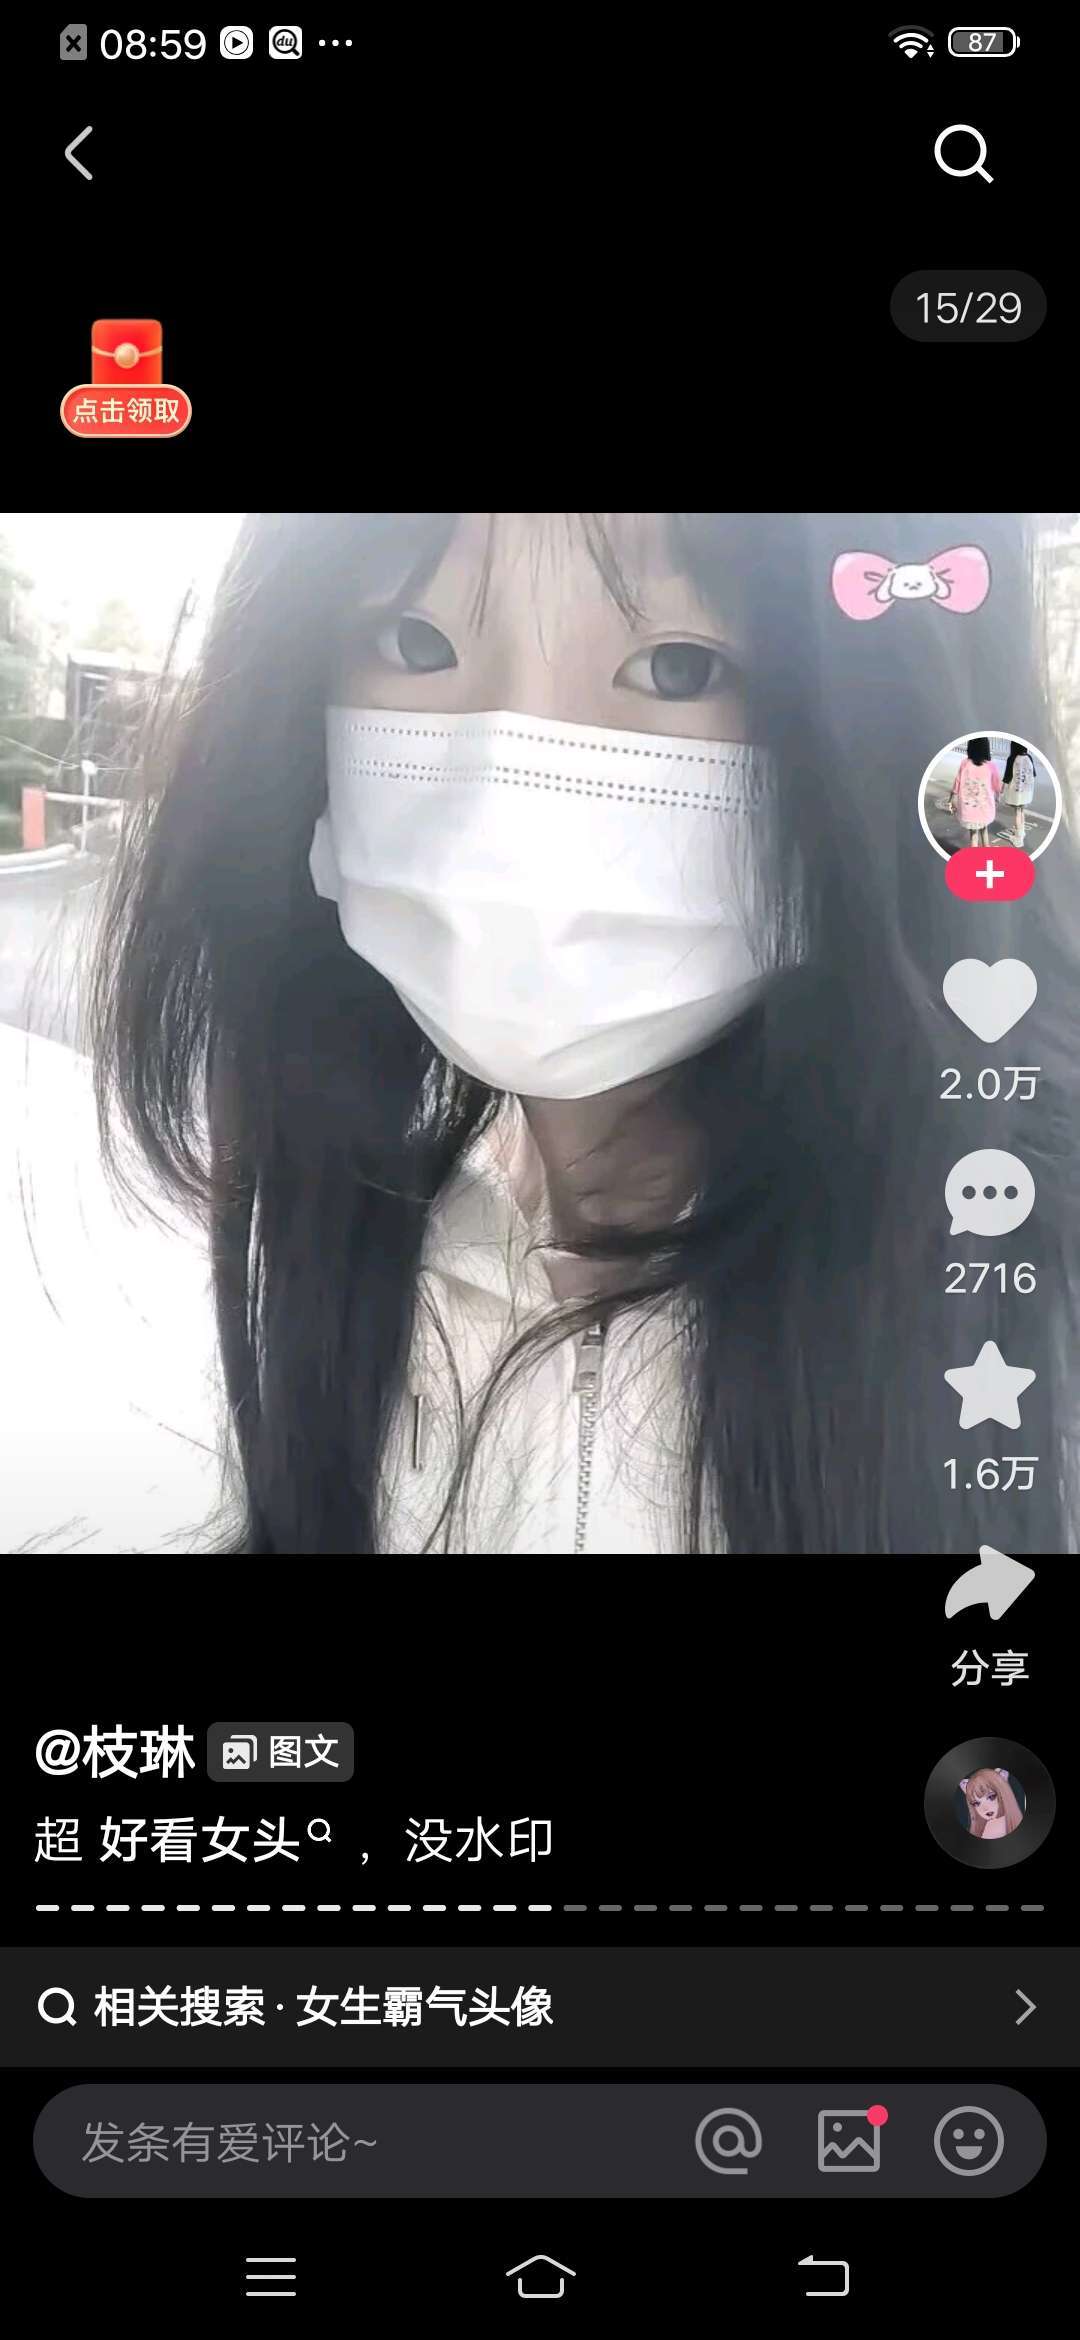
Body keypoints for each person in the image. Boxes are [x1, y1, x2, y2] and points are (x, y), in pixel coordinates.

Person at [82, 514, 1080, 1555]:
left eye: (683, 666)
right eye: (413, 642)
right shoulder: (354, 1234)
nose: (495, 811)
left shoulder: (1023, 1289)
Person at [948, 735, 1002, 848]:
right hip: (985, 808)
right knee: (984, 829)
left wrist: (952, 798)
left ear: (970, 747)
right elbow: (997, 785)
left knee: (974, 836)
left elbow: (957, 782)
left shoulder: (965, 763)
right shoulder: (991, 766)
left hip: (969, 811)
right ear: (986, 748)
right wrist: (998, 797)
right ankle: (987, 853)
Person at [1001, 738, 1036, 847]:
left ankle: (1018, 839)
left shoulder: (1012, 758)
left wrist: (1002, 789)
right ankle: (1022, 831)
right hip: (1026, 791)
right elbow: (1034, 774)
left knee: (1017, 813)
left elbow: (1007, 777)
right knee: (1022, 811)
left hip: (1016, 792)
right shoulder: (1029, 757)